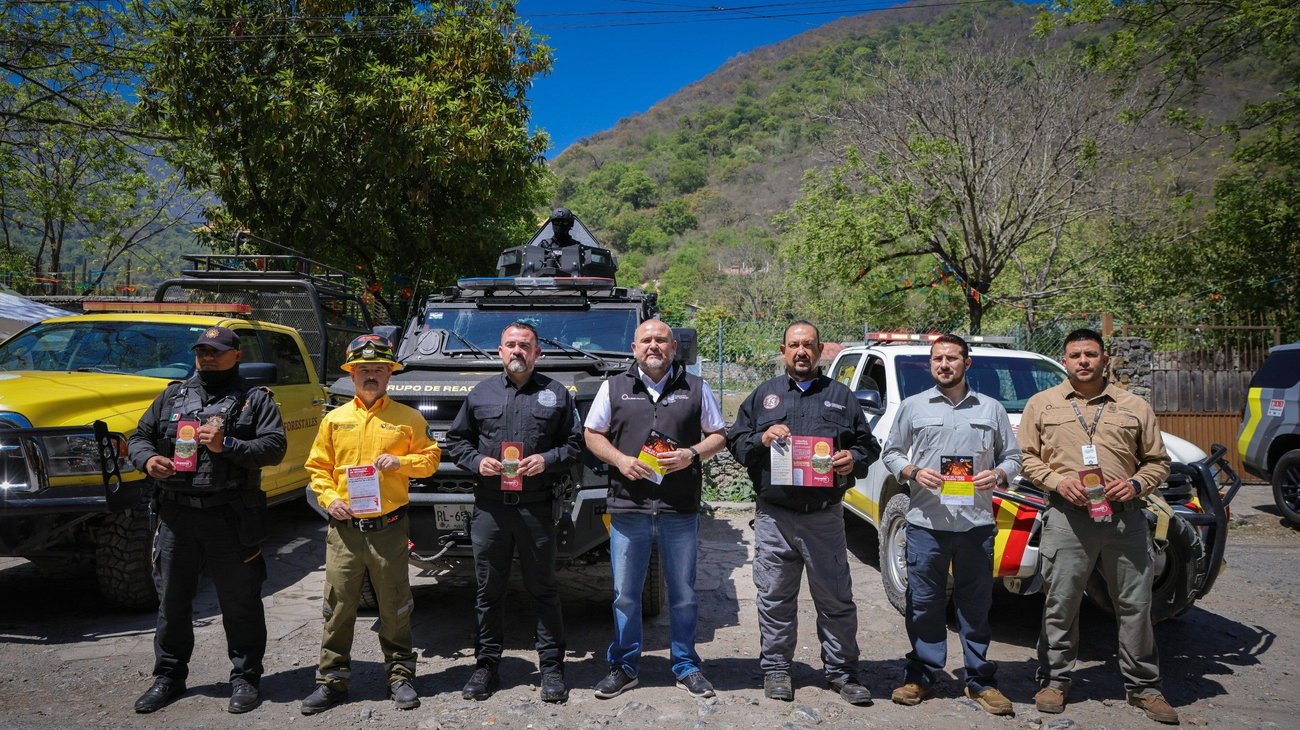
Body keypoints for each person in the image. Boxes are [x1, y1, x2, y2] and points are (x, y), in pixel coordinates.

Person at [1018, 328, 1178, 725]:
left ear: (1105, 359)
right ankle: (1054, 680)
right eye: (1075, 355)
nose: (1083, 361)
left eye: (1091, 354)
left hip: (1124, 519)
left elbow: (1158, 462)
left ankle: (1144, 686)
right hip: (1067, 519)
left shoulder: (1134, 405)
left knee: (1136, 604)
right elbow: (1027, 458)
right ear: (1065, 361)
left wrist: (1136, 484)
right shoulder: (1042, 404)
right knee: (1061, 601)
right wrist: (1058, 482)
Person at [127, 325, 287, 715]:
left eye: (216, 351)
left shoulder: (254, 399)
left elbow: (273, 447)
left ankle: (246, 678)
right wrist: (148, 460)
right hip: (176, 514)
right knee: (172, 602)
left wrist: (226, 444)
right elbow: (138, 437)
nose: (207, 357)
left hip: (230, 514)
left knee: (240, 602)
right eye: (202, 351)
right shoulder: (172, 395)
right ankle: (169, 676)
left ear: (237, 356)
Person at [727, 320, 880, 706]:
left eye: (808, 345)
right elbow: (736, 442)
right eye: (794, 345)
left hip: (823, 517)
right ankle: (777, 669)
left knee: (835, 598)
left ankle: (843, 672)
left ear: (820, 350)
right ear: (783, 351)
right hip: (774, 517)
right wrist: (762, 438)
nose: (801, 352)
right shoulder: (764, 396)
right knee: (775, 597)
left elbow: (868, 445)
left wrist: (852, 458)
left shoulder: (841, 396)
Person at [583, 318, 727, 700]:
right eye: (646, 340)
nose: (654, 346)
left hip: (679, 509)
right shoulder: (613, 387)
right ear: (634, 348)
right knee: (625, 595)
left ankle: (686, 665)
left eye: (661, 340)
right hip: (628, 508)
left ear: (674, 347)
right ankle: (625, 666)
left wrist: (691, 453)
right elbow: (592, 434)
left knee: (683, 593)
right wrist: (620, 460)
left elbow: (719, 435)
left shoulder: (696, 388)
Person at [300, 334, 440, 715]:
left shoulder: (408, 419)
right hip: (344, 531)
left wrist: (402, 463)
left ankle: (400, 676)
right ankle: (331, 680)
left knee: (395, 605)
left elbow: (430, 459)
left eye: (379, 368)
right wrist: (330, 499)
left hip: (388, 529)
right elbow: (317, 467)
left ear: (390, 374)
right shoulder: (334, 420)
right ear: (352, 374)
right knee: (338, 606)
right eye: (364, 369)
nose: (371, 374)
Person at [881, 334, 1020, 715]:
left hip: (976, 526)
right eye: (937, 359)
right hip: (926, 524)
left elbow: (1013, 457)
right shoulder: (913, 407)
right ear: (930, 364)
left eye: (952, 358)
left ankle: (980, 681)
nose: (944, 365)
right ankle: (921, 675)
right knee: (923, 603)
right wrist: (912, 471)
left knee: (975, 606)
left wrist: (999, 475)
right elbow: (891, 451)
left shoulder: (991, 409)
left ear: (966, 363)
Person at [445, 322, 582, 703]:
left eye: (525, 345)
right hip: (490, 509)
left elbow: (575, 445)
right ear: (500, 351)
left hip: (537, 508)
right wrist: (477, 461)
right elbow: (457, 440)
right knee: (489, 591)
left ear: (538, 353)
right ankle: (486, 666)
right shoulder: (480, 394)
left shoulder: (556, 394)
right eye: (511, 344)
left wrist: (547, 459)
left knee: (544, 589)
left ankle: (551, 668)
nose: (517, 351)